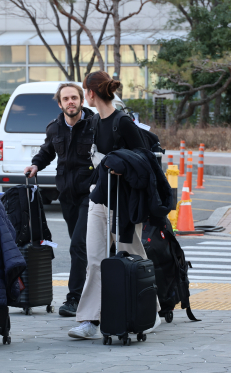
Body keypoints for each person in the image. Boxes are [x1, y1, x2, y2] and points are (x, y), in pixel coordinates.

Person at [67, 71, 161, 340]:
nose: (84, 95)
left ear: (91, 93)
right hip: (100, 198)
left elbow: (145, 162)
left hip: (125, 202)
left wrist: (123, 167)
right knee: (95, 259)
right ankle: (89, 320)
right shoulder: (95, 121)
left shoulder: (124, 123)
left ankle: (149, 311)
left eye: (85, 90)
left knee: (131, 255)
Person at [24, 83, 96, 317]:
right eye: (66, 99)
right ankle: (94, 292)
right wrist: (35, 164)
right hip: (67, 195)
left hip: (91, 193)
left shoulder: (95, 125)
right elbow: (47, 151)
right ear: (60, 103)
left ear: (82, 100)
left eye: (74, 98)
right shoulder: (55, 128)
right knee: (83, 248)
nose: (70, 102)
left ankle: (74, 298)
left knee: (78, 245)